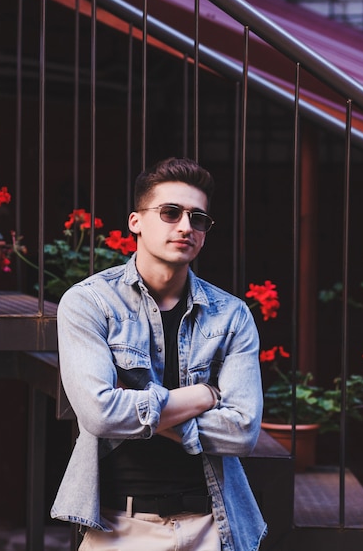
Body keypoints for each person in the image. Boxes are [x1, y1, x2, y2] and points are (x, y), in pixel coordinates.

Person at [51, 157, 266, 551]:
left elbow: (243, 431)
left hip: (212, 528)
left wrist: (135, 402)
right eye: (170, 213)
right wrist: (206, 397)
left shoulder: (231, 315)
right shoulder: (90, 303)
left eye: (198, 218)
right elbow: (99, 414)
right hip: (118, 528)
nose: (186, 226)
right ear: (136, 221)